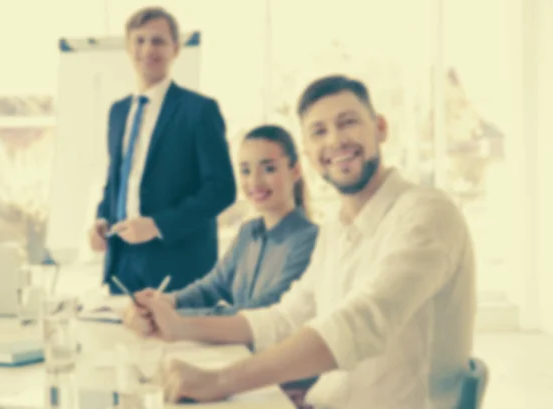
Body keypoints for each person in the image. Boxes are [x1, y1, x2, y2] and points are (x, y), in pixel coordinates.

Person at [124, 75, 477, 409]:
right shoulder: (336, 230)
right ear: (308, 153)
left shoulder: (427, 213)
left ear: (380, 128)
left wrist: (219, 381)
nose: (335, 141)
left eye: (348, 122)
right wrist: (178, 326)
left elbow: (362, 322)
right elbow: (284, 319)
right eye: (319, 131)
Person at [88, 7, 236, 294]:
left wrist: (157, 225)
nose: (148, 49)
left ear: (175, 49)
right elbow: (117, 181)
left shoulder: (199, 110)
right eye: (139, 40)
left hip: (178, 263)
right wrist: (101, 219)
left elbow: (222, 189)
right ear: (128, 48)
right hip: (121, 263)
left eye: (158, 41)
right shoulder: (118, 112)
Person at [134, 124, 318, 317]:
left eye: (269, 169)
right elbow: (214, 286)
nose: (254, 182)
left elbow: (264, 311)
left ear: (295, 171)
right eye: (245, 171)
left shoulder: (309, 240)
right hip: (233, 345)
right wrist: (169, 301)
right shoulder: (248, 232)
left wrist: (174, 316)